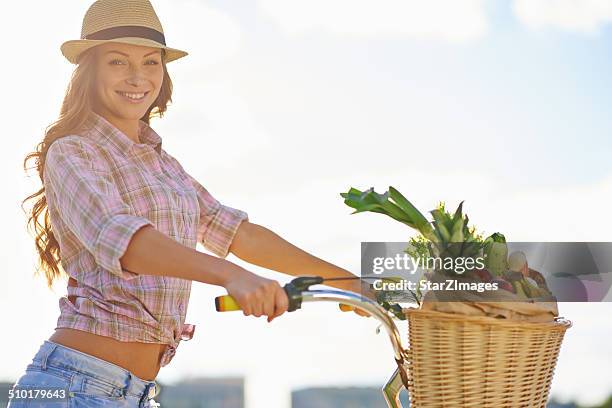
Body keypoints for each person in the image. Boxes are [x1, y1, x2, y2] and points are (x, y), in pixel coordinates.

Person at [10, 1, 373, 407]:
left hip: (135, 394)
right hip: (72, 387)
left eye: (151, 62)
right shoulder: (73, 153)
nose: (137, 77)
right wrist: (232, 276)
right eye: (118, 61)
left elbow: (233, 231)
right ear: (90, 71)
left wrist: (341, 279)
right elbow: (123, 239)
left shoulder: (163, 164)